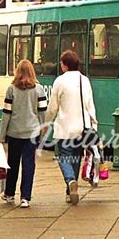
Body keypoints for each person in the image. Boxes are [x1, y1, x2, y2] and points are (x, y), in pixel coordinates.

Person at [44, 50, 98, 205]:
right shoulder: (85, 80)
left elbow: (53, 107)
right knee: (75, 158)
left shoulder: (60, 81)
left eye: (61, 63)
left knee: (63, 157)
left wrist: (46, 123)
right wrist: (94, 124)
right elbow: (90, 105)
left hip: (65, 128)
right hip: (83, 127)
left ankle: (70, 181)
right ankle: (70, 191)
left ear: (65, 65)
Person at [0, 59, 48, 208]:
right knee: (29, 165)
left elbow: (6, 114)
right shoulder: (39, 89)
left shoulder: (11, 89)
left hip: (14, 133)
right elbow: (42, 113)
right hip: (32, 134)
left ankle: (9, 194)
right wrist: (42, 131)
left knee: (12, 163)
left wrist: (1, 136)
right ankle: (25, 197)